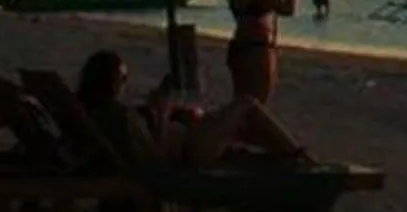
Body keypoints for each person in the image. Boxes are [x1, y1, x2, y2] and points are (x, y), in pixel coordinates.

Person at [74, 49, 310, 171]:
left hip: (188, 139)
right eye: (123, 78)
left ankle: (286, 157)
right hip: (189, 151)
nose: (125, 84)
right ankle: (297, 156)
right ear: (111, 81)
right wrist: (163, 113)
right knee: (246, 103)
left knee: (242, 121)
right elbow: (156, 157)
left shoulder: (92, 110)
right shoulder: (118, 117)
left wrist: (156, 111)